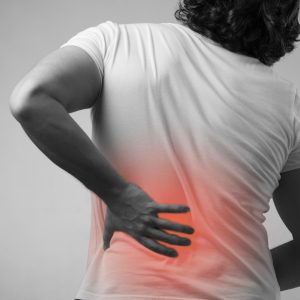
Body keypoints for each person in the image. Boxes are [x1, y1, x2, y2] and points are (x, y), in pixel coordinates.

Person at [9, 0, 300, 299]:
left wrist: (119, 195)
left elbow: (32, 98)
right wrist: (241, 279)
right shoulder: (288, 103)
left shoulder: (120, 44)